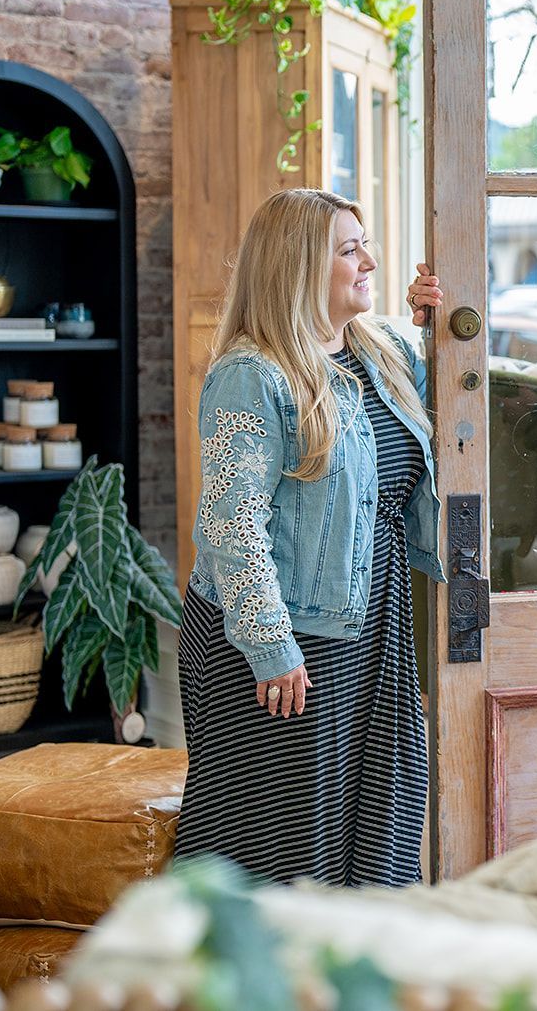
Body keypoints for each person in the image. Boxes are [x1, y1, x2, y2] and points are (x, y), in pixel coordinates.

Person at [174, 188, 444, 887]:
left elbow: (446, 380)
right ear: (297, 265)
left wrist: (430, 318)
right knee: (284, 839)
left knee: (378, 811)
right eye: (349, 249)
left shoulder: (377, 349)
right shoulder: (251, 374)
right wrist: (270, 646)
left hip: (371, 614)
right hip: (279, 633)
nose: (370, 261)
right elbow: (233, 527)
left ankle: (356, 976)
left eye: (365, 244)